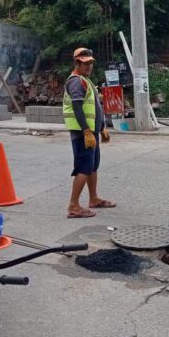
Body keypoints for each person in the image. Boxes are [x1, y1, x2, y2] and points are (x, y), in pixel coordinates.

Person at [63, 48, 116, 218]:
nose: (89, 66)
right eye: (85, 63)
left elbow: (94, 108)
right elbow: (78, 108)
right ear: (77, 63)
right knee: (83, 168)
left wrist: (101, 128)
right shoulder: (76, 82)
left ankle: (93, 198)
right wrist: (86, 131)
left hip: (91, 132)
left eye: (91, 63)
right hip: (82, 133)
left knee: (93, 166)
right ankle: (73, 206)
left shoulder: (86, 80)